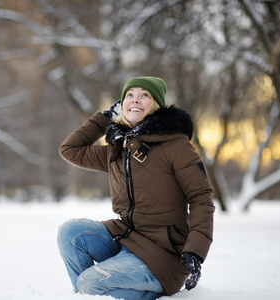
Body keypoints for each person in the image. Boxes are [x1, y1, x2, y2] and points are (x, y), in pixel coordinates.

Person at [57, 76, 215, 300]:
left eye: (145, 95)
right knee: (71, 233)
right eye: (129, 95)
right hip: (126, 237)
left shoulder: (176, 145)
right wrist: (104, 118)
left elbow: (201, 198)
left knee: (89, 281)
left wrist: (196, 251)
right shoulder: (118, 150)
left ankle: (100, 291)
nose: (135, 100)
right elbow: (70, 149)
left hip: (164, 255)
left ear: (156, 104)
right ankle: (90, 294)